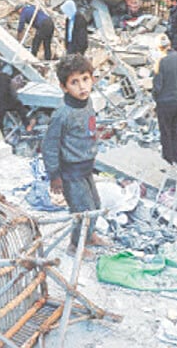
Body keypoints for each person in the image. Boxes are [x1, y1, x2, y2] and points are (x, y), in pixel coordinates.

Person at [43, 54, 108, 260]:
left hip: (86, 167)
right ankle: (75, 246)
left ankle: (88, 237)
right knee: (83, 211)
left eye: (85, 79)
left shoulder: (87, 103)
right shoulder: (62, 114)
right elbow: (49, 146)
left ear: (93, 79)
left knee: (95, 206)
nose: (82, 86)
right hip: (71, 172)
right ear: (64, 87)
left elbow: (85, 130)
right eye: (74, 82)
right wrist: (54, 175)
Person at [152, 34, 177, 165]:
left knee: (166, 132)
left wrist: (155, 99)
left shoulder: (161, 61)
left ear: (159, 48)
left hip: (165, 103)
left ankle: (168, 160)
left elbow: (157, 86)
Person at [0, 59, 33, 133]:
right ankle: (27, 125)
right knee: (20, 106)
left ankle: (0, 136)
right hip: (8, 103)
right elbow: (13, 92)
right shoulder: (6, 77)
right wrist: (14, 98)